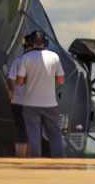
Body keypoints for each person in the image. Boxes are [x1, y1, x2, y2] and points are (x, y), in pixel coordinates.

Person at [15, 30, 65, 158]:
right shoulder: (54, 57)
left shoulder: (25, 58)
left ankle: (35, 161)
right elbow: (61, 80)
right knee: (55, 134)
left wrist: (30, 79)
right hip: (50, 103)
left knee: (33, 135)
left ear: (31, 43)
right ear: (45, 42)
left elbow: (20, 82)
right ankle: (59, 159)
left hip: (30, 104)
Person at [6, 37, 33, 157]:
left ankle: (20, 158)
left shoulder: (18, 61)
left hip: (17, 102)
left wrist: (13, 91)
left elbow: (10, 79)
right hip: (33, 103)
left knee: (20, 131)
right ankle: (29, 159)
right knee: (32, 131)